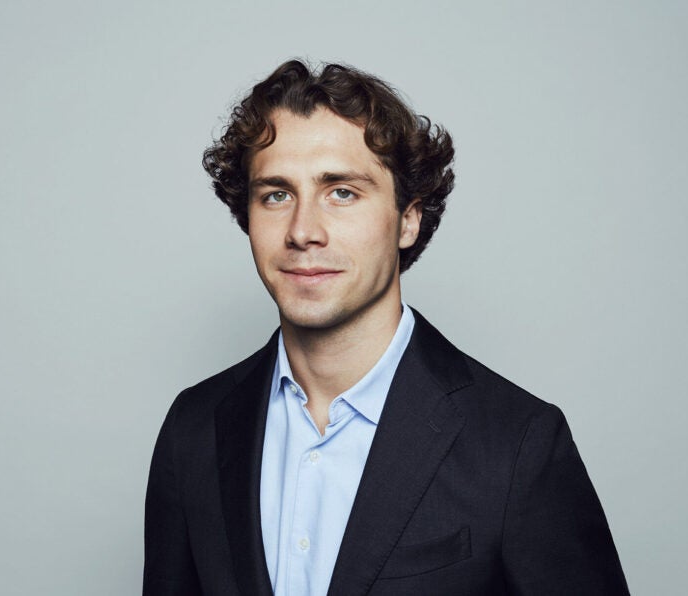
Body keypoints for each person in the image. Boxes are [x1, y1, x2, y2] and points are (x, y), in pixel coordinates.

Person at [144, 59, 629, 596]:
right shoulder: (194, 427)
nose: (303, 231)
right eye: (276, 194)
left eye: (342, 192)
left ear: (408, 220)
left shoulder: (517, 444)